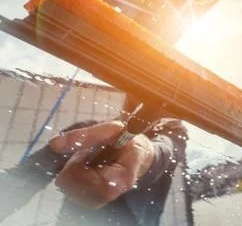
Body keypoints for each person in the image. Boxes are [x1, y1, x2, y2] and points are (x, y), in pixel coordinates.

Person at [0, 95, 188, 226]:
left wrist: (142, 154)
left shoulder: (175, 133)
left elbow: (166, 151)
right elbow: (23, 179)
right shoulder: (87, 129)